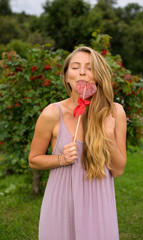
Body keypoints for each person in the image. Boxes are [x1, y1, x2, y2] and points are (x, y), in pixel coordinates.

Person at [28, 46, 127, 240]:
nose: (82, 71)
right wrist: (61, 159)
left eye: (89, 67)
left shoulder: (115, 113)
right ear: (66, 76)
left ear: (98, 75)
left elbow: (118, 170)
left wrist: (107, 136)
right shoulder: (51, 113)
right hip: (61, 203)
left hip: (99, 204)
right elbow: (34, 160)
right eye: (75, 67)